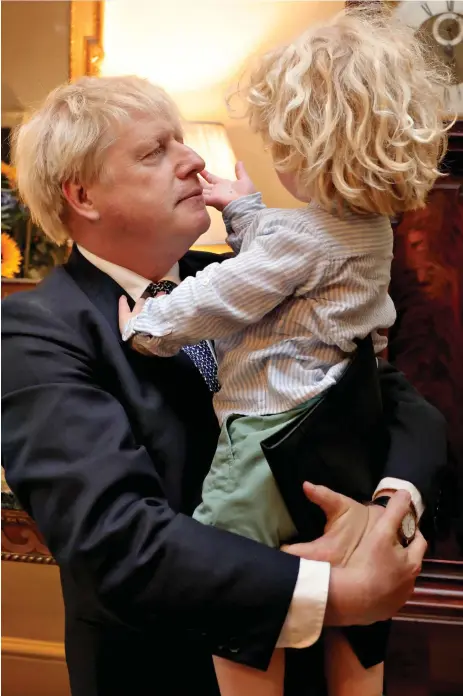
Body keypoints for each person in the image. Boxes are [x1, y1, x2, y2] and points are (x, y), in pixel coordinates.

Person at [1, 69, 443, 696]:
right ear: (84, 196)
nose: (191, 160)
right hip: (167, 674)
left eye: (182, 140)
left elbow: (406, 408)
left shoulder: (256, 275)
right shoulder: (33, 331)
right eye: (156, 151)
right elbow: (117, 536)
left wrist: (385, 515)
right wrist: (339, 593)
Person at [118, 9, 448, 696]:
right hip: (342, 428)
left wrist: (150, 322)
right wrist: (244, 210)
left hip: (271, 431)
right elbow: (292, 249)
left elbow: (228, 293)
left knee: (234, 581)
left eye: (284, 146)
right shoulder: (365, 227)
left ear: (313, 147)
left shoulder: (301, 241)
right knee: (348, 626)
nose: (277, 158)